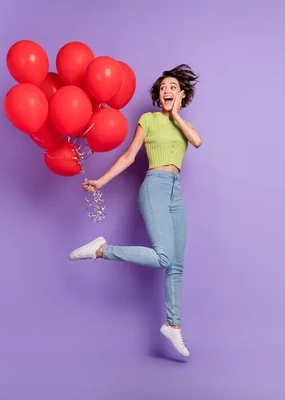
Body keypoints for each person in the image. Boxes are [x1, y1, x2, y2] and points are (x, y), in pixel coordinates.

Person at [68, 64, 202, 358]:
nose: (167, 90)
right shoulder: (149, 119)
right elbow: (129, 156)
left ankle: (173, 326)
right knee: (163, 255)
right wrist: (101, 181)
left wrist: (177, 115)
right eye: (163, 87)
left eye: (172, 87)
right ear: (159, 95)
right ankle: (102, 249)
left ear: (181, 95)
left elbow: (197, 141)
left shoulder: (183, 125)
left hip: (175, 192)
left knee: (176, 263)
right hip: (154, 186)